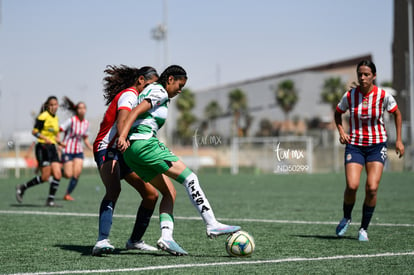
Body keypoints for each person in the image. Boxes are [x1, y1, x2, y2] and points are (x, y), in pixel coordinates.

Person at [118, 65, 241, 256]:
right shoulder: (159, 91)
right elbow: (134, 113)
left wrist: (125, 137)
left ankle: (166, 237)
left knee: (169, 193)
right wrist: (122, 136)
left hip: (132, 153)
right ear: (170, 80)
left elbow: (135, 114)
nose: (180, 90)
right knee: (190, 178)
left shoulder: (151, 90)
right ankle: (212, 224)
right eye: (180, 85)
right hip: (145, 145)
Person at [92, 65, 161, 256]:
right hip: (107, 147)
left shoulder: (140, 99)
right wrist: (123, 137)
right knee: (114, 189)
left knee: (151, 195)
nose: (153, 90)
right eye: (150, 84)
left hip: (123, 150)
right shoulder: (129, 94)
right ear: (140, 80)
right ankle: (101, 241)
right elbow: (123, 121)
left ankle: (135, 240)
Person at [334, 60, 405, 241]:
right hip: (355, 145)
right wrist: (342, 131)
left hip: (376, 146)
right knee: (352, 185)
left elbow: (397, 114)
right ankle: (346, 217)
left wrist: (398, 140)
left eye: (366, 74)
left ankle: (363, 229)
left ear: (374, 76)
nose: (363, 77)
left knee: (372, 188)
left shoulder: (383, 95)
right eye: (360, 74)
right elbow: (338, 112)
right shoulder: (350, 96)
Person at [16, 96, 64, 207]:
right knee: (45, 177)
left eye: (55, 105)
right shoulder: (43, 116)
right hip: (42, 148)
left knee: (57, 174)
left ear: (58, 106)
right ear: (47, 106)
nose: (53, 107)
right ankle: (23, 187)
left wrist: (59, 142)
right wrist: (44, 138)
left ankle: (50, 200)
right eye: (51, 105)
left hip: (52, 148)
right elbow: (34, 132)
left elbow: (54, 135)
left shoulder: (56, 118)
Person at [60, 97, 93, 201]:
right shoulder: (71, 121)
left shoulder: (86, 124)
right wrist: (59, 142)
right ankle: (57, 171)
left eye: (83, 108)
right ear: (76, 110)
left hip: (78, 151)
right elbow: (59, 130)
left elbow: (85, 139)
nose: (82, 110)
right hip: (68, 150)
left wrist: (92, 148)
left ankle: (67, 194)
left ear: (86, 110)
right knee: (68, 174)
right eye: (79, 108)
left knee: (76, 174)